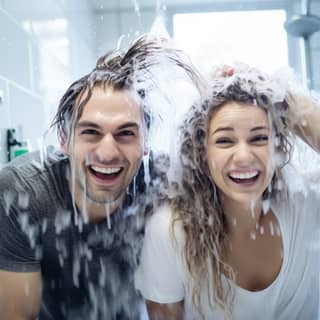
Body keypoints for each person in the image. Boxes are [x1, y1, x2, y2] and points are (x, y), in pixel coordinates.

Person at [0, 35, 200, 320]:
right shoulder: (23, 195)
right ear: (64, 139)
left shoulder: (162, 181)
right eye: (90, 132)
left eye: (126, 133)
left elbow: (231, 174)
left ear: (145, 143)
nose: (107, 153)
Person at [135, 64, 320, 319]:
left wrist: (280, 95)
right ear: (202, 154)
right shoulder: (170, 231)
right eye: (224, 140)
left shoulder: (306, 203)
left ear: (276, 148)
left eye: (258, 138)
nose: (244, 156)